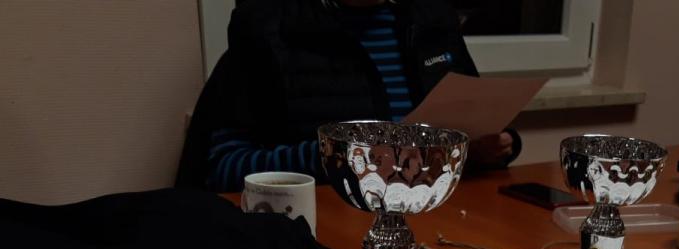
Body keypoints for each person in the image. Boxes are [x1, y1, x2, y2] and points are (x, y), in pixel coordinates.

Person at [177, 0, 520, 191]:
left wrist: (490, 148)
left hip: (438, 217)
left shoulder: (432, 20)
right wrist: (340, 156)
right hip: (322, 232)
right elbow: (222, 169)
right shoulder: (268, 28)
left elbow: (468, 127)